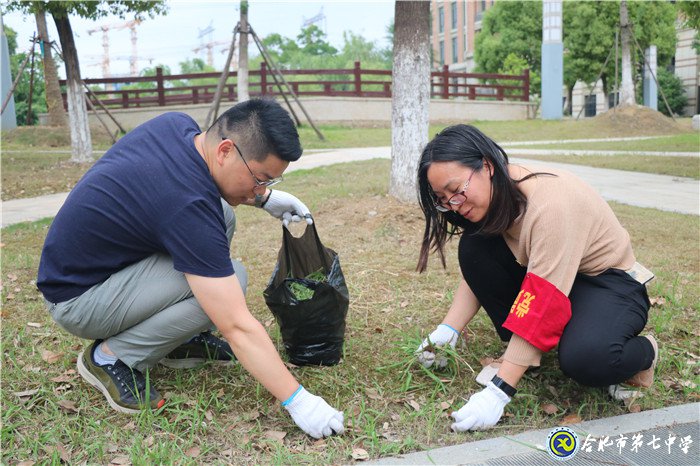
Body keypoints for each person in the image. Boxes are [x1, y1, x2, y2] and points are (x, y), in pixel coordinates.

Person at [37, 98, 344, 439]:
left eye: (268, 183)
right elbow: (237, 327)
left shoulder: (179, 128)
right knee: (226, 285)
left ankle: (178, 337)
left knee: (222, 216)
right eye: (261, 179)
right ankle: (111, 357)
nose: (261, 189)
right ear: (226, 150)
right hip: (79, 299)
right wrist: (299, 401)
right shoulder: (186, 206)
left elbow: (189, 197)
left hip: (96, 268)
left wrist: (264, 199)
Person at [414, 124, 656, 432]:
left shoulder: (550, 208)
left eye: (456, 190)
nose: (454, 205)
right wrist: (447, 330)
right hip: (551, 277)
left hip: (606, 282)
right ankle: (523, 356)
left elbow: (542, 301)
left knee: (587, 359)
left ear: (487, 166)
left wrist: (498, 393)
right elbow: (482, 274)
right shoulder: (494, 197)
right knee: (475, 246)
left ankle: (646, 354)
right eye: (443, 198)